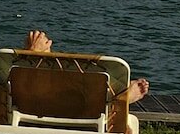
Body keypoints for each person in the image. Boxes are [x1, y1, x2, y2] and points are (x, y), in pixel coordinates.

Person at [21, 28, 149, 102]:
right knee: (86, 92)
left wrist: (32, 56)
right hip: (83, 117)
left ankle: (37, 65)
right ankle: (120, 100)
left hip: (31, 112)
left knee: (32, 86)